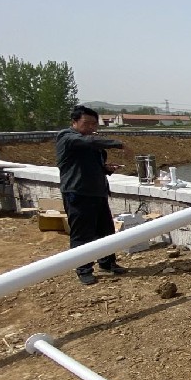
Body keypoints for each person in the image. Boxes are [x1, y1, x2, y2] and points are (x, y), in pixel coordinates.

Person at [55, 105, 127, 286]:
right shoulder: (67, 137)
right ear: (74, 122)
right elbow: (88, 143)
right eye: (87, 124)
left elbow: (94, 163)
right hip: (78, 193)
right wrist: (117, 143)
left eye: (94, 124)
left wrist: (106, 169)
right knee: (82, 234)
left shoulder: (89, 141)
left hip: (97, 193)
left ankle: (107, 262)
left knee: (106, 231)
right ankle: (84, 269)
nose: (91, 128)